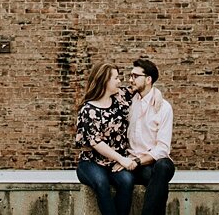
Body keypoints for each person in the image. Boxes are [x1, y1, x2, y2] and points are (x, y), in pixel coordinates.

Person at [75, 63, 137, 215]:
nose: (119, 81)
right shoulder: (88, 110)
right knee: (101, 183)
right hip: (91, 162)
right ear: (104, 81)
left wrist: (156, 93)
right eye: (115, 78)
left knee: (127, 182)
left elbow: (142, 89)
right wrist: (122, 159)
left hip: (115, 163)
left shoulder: (120, 97)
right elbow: (95, 142)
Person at [126, 57, 175, 215]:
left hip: (153, 163)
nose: (130, 79)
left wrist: (138, 160)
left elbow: (163, 149)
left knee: (163, 167)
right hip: (137, 167)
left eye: (135, 76)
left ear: (148, 79)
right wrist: (134, 162)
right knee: (158, 181)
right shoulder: (127, 102)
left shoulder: (163, 107)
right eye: (130, 75)